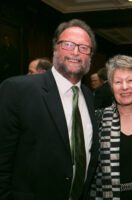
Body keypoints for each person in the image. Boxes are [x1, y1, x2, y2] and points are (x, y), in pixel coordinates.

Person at [0, 19, 99, 199]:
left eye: (84, 47)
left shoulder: (88, 95)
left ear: (90, 56)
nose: (76, 52)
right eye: (68, 44)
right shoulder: (18, 90)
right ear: (55, 48)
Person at [89, 55, 132, 200]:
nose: (125, 87)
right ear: (111, 87)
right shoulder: (97, 119)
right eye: (118, 82)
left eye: (130, 80)